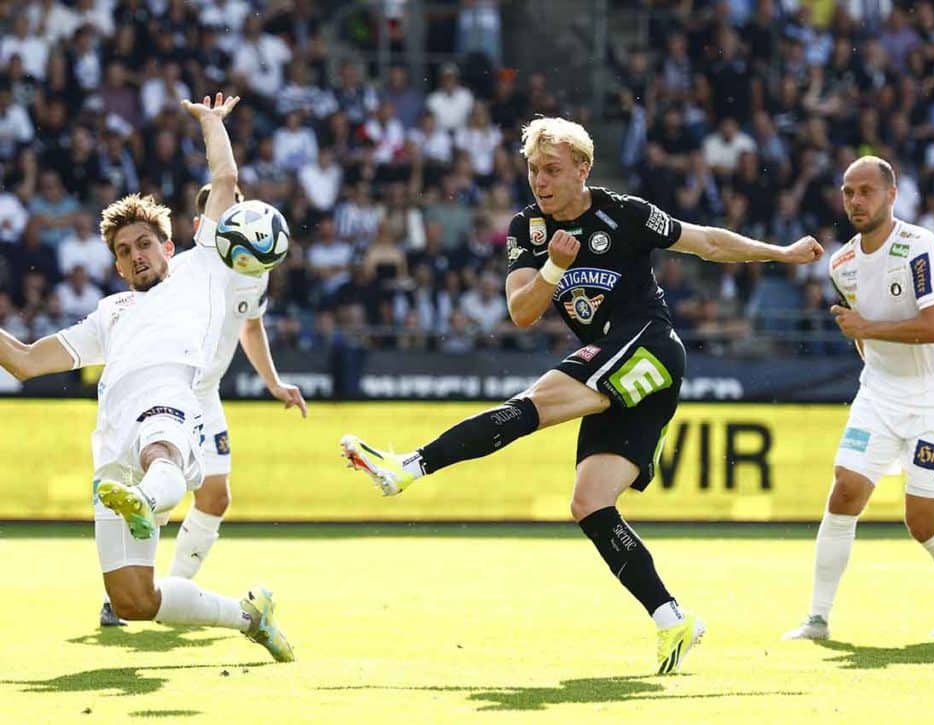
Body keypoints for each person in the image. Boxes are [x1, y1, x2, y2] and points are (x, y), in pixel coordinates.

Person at [341, 117, 823, 674]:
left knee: (535, 404)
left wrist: (783, 253)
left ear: (582, 169)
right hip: (614, 364)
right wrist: (554, 266)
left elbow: (708, 242)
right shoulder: (527, 229)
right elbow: (521, 313)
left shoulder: (626, 213)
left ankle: (407, 468)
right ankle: (673, 620)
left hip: (650, 348)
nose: (539, 182)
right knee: (589, 504)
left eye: (551, 170)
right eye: (531, 170)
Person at [0, 93, 294, 662]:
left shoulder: (201, 266)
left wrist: (211, 123)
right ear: (114, 264)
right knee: (134, 600)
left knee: (161, 450)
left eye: (144, 244)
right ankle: (247, 615)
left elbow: (226, 177)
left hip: (172, 404)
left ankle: (147, 494)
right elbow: (24, 360)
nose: (136, 256)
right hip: (112, 444)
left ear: (168, 246)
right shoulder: (107, 315)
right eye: (123, 251)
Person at [783, 156, 934, 641]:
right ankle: (817, 618)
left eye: (866, 191)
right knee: (845, 491)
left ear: (891, 195)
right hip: (880, 394)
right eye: (848, 192)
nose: (855, 201)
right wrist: (868, 341)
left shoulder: (921, 247)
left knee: (921, 521)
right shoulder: (842, 264)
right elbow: (861, 335)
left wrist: (868, 330)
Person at [98, 181, 308, 627]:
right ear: (204, 226)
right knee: (157, 480)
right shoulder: (193, 269)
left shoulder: (254, 271)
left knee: (215, 496)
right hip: (169, 388)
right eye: (227, 213)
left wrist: (273, 383)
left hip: (205, 395)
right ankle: (126, 590)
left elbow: (251, 329)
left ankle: (169, 587)